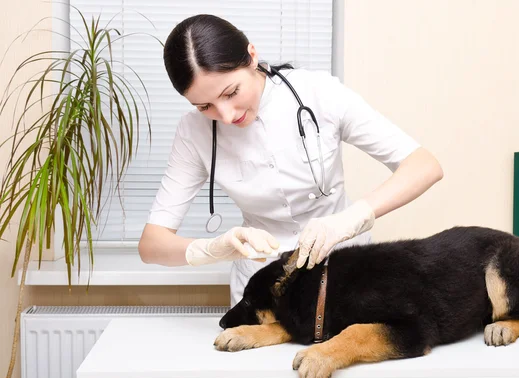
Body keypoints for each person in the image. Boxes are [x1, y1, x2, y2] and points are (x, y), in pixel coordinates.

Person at [138, 14, 444, 306]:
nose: (226, 116)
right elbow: (152, 245)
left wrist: (350, 219)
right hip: (263, 289)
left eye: (231, 92)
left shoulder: (319, 93)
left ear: (252, 56)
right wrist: (213, 249)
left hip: (347, 272)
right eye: (205, 106)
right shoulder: (193, 133)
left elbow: (424, 165)